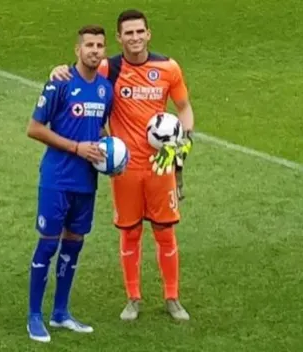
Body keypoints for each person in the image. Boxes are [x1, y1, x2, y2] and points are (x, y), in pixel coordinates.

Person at [49, 9, 195, 321]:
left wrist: (182, 143)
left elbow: (184, 108)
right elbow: (79, 73)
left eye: (139, 32)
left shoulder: (168, 68)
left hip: (159, 167)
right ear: (119, 38)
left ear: (149, 33)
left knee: (165, 231)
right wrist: (59, 71)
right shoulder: (108, 68)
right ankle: (133, 298)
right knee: (130, 233)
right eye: (128, 33)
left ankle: (172, 298)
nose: (135, 38)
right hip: (124, 168)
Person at [26, 24, 113, 343]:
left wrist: (112, 156)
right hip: (57, 179)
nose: (94, 50)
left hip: (86, 182)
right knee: (48, 244)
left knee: (74, 245)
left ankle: (60, 313)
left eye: (99, 45)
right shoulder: (59, 83)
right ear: (77, 50)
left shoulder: (106, 88)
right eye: (88, 45)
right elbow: (34, 128)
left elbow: (100, 129)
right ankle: (34, 315)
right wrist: (76, 147)